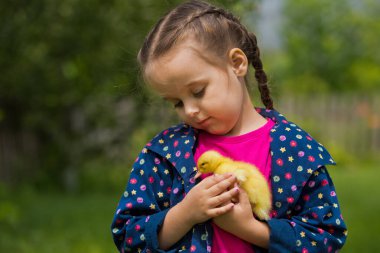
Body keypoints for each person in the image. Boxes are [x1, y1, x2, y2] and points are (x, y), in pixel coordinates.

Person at [111, 0, 348, 252]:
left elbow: (325, 237)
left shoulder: (294, 149)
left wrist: (248, 228)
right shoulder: (164, 154)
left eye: (198, 91)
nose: (189, 110)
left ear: (237, 63)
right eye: (177, 102)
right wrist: (185, 213)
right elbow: (128, 236)